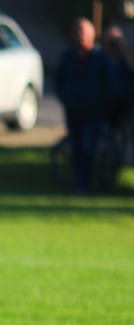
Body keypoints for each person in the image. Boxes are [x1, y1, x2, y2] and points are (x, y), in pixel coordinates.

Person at [54, 17, 114, 193]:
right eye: (78, 31)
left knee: (88, 146)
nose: (81, 35)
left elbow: (108, 83)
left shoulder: (100, 57)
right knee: (75, 147)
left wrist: (98, 100)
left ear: (92, 34)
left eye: (84, 31)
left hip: (93, 111)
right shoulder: (68, 56)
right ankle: (78, 182)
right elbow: (59, 80)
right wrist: (66, 98)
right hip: (73, 110)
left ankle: (83, 184)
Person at [102, 25, 134, 128]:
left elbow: (132, 66)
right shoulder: (102, 57)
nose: (113, 44)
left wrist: (123, 44)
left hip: (126, 104)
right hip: (106, 104)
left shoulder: (125, 57)